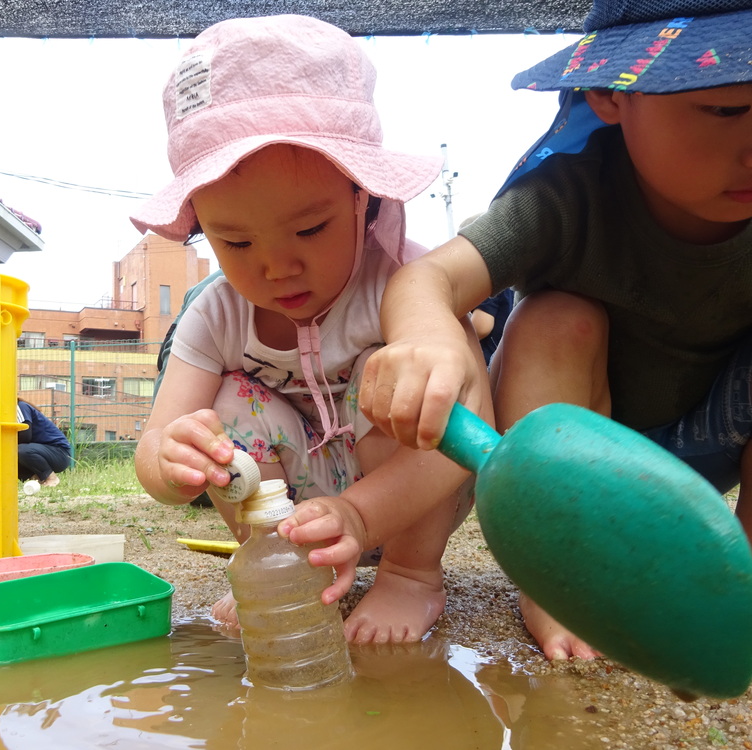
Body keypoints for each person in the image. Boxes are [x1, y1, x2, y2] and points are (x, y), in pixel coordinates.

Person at [284, 0, 752, 661]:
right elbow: (426, 281)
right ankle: (553, 579)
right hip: (565, 451)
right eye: (727, 111)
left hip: (709, 445)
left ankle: (736, 596)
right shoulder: (567, 195)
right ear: (610, 94)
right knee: (557, 317)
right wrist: (428, 339)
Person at [131, 14, 492, 644]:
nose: (277, 267)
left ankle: (410, 575)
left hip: (411, 492)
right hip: (291, 503)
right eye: (236, 241)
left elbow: (472, 415)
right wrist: (169, 459)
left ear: (363, 197)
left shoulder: (406, 282)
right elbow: (156, 442)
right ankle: (282, 571)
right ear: (200, 226)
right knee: (223, 409)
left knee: (405, 382)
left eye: (310, 229)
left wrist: (359, 513)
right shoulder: (215, 313)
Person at [17, 398, 71, 490]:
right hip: (41, 452)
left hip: (60, 453)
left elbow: (25, 435)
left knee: (18, 450)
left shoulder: (19, 406)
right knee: (8, 452)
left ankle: (51, 478)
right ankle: (38, 480)